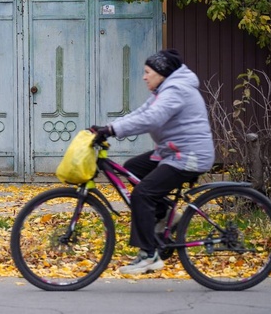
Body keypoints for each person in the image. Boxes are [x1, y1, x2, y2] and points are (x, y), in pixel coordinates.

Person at [91, 49, 215, 275]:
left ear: (162, 72)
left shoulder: (176, 90)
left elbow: (152, 118)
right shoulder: (165, 91)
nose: (144, 77)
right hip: (173, 152)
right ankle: (166, 214)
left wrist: (112, 130)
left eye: (148, 72)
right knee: (132, 168)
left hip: (189, 156)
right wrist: (107, 127)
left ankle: (148, 255)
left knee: (143, 194)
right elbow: (140, 113)